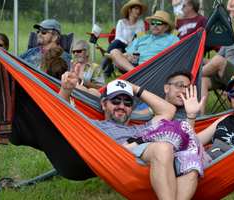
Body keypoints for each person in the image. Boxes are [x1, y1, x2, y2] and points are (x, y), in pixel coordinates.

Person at [59, 69, 206, 199]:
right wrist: (65, 90)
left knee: (191, 161)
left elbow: (168, 110)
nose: (121, 106)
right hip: (123, 159)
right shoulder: (95, 126)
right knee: (164, 147)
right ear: (104, 104)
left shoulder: (142, 127)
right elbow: (61, 117)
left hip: (157, 157)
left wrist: (133, 87)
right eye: (116, 101)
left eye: (127, 103)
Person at [110, 10, 179, 73]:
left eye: (158, 23)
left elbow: (176, 56)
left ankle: (134, 73)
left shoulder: (172, 39)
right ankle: (135, 72)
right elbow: (128, 53)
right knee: (114, 52)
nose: (155, 25)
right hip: (135, 66)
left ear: (166, 27)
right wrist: (129, 56)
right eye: (153, 23)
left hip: (155, 67)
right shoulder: (143, 37)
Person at [102, 0, 147, 77]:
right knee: (117, 42)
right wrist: (127, 43)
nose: (138, 11)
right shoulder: (121, 22)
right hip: (121, 46)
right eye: (136, 9)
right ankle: (106, 66)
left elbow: (142, 38)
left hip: (134, 48)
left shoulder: (140, 23)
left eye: (139, 9)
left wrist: (132, 46)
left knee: (117, 45)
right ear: (130, 10)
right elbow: (118, 37)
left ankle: (106, 65)